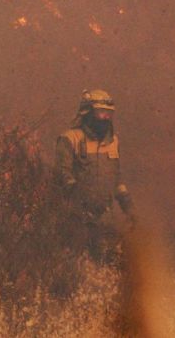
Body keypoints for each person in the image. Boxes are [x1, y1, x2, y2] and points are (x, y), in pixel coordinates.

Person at [56, 88, 135, 260]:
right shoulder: (70, 139)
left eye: (109, 114)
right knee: (76, 260)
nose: (106, 118)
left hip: (104, 215)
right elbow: (63, 175)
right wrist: (79, 203)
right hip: (76, 217)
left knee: (110, 259)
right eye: (101, 113)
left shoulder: (113, 142)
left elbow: (116, 177)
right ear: (87, 113)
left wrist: (128, 206)